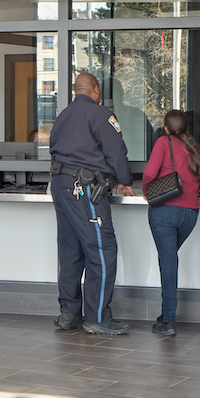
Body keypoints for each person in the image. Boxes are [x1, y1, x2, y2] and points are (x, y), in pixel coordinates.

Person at [48, 71, 131, 336]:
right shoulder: (99, 113)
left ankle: (69, 313)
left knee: (70, 249)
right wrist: (124, 180)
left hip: (61, 186)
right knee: (101, 249)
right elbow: (116, 150)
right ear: (95, 89)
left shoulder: (63, 115)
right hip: (84, 188)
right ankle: (97, 318)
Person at [143, 108, 200, 338]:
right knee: (169, 261)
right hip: (190, 214)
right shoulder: (194, 147)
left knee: (168, 263)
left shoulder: (163, 142)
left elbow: (149, 174)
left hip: (165, 212)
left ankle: (168, 320)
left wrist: (148, 192)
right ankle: (165, 316)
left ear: (166, 128)